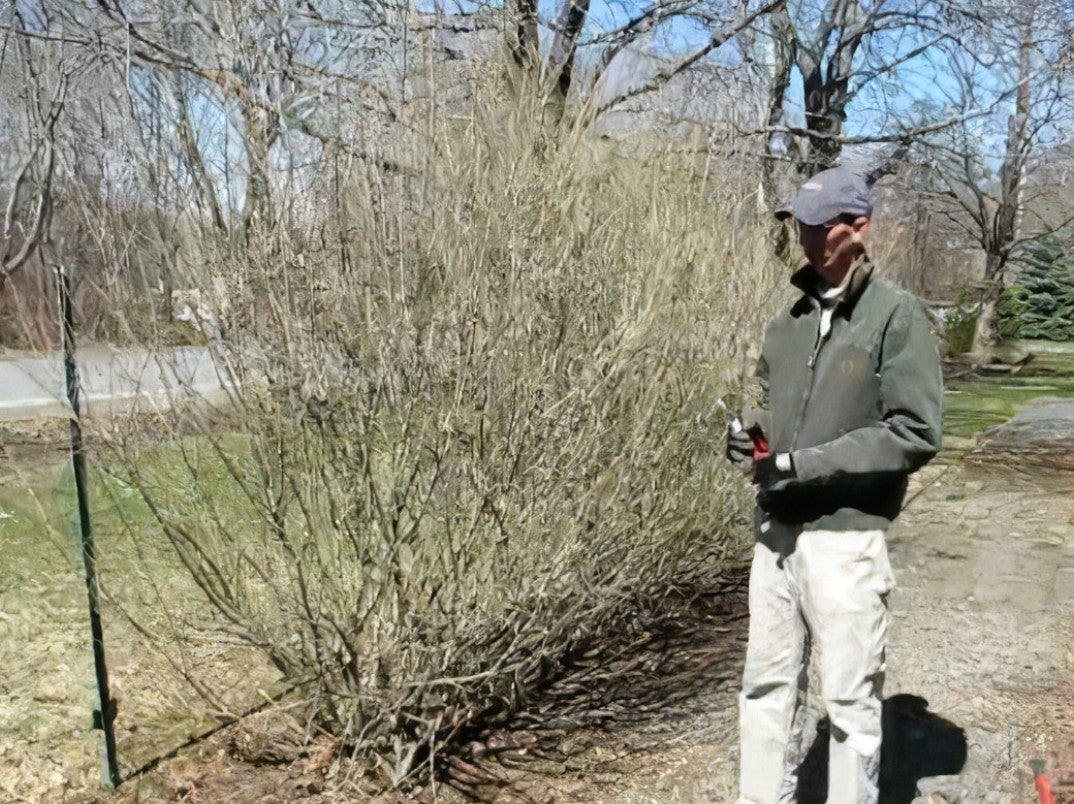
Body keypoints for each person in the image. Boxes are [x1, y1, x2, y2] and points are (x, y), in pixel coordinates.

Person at [726, 165, 943, 803]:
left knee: (847, 702)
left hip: (845, 540)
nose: (807, 238)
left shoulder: (897, 317)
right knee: (764, 689)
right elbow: (770, 403)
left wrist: (803, 464)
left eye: (822, 227)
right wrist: (750, 437)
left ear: (859, 229)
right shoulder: (787, 319)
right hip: (775, 535)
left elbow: (913, 432)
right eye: (800, 224)